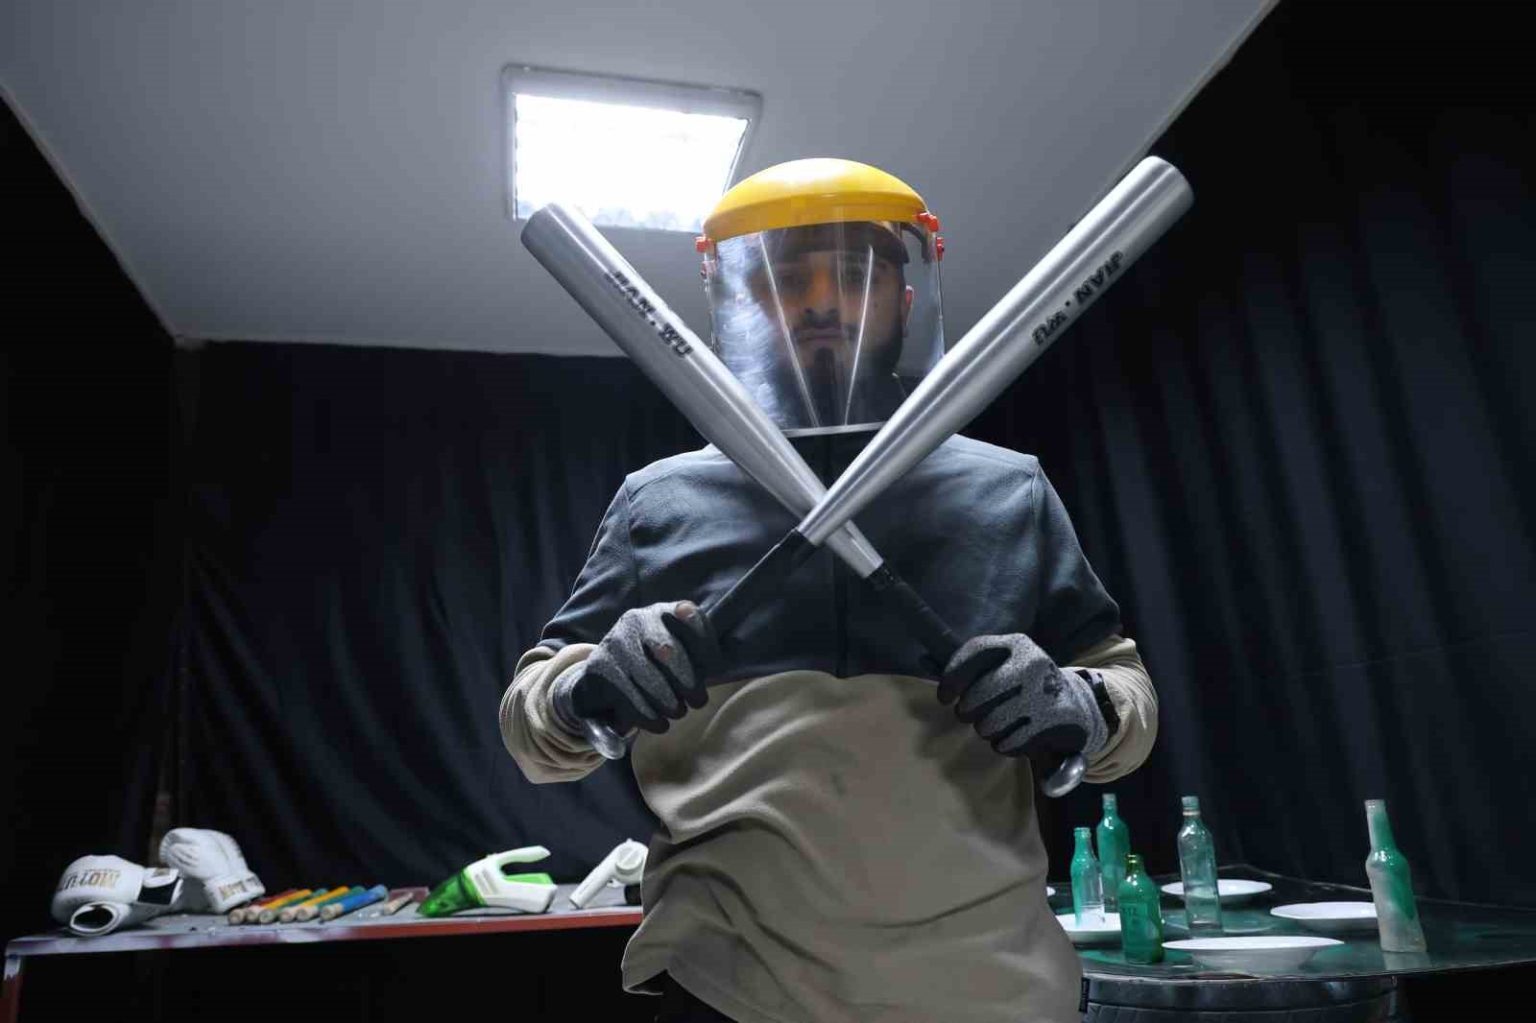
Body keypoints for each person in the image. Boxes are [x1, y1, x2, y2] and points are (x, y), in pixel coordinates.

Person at [500, 158, 1158, 1023]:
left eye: (854, 274)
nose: (821, 301)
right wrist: (584, 690)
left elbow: (1126, 686)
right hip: (730, 989)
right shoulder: (657, 502)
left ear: (905, 299)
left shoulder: (1009, 489)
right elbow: (532, 725)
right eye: (786, 278)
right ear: (741, 302)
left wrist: (1083, 705)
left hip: (992, 990)